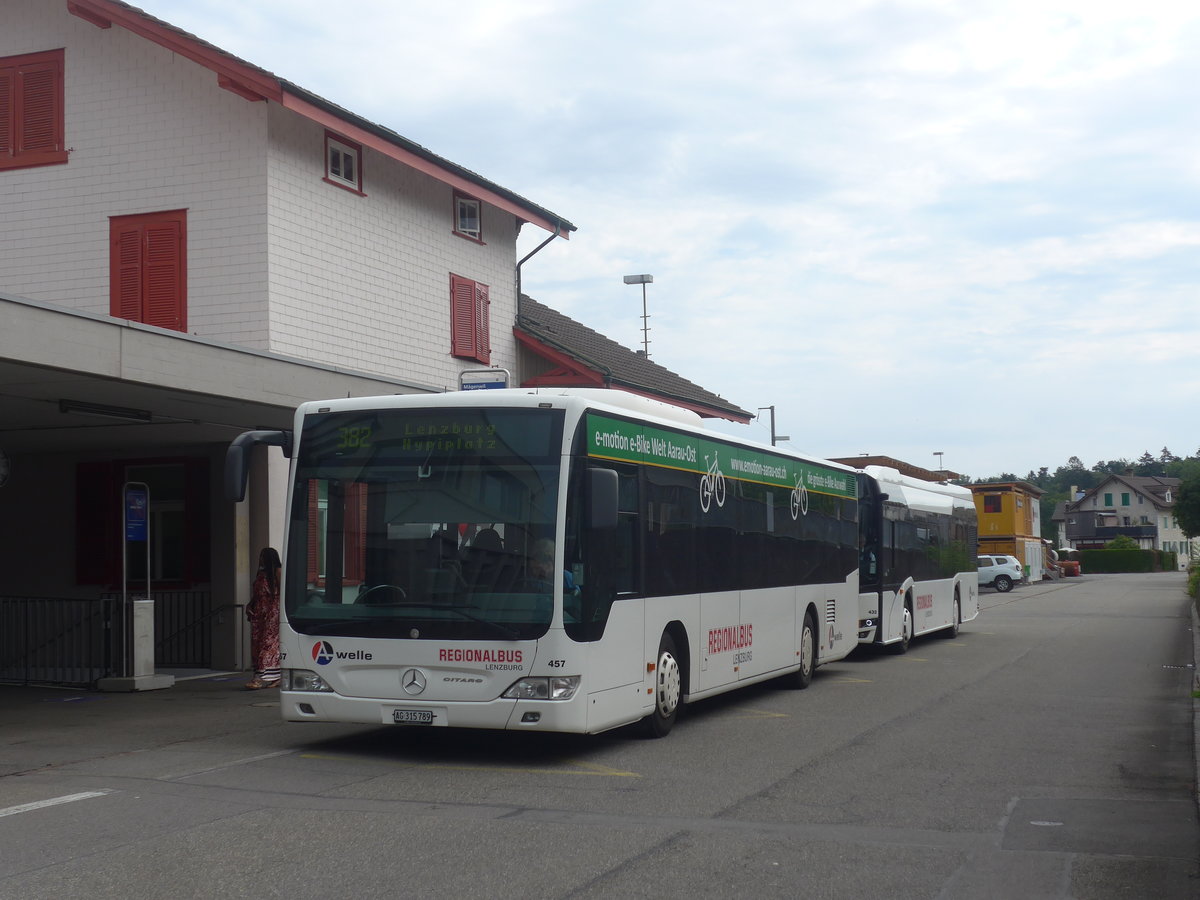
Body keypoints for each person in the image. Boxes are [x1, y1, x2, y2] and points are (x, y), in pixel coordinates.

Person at [245, 547, 281, 690]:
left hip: (272, 612)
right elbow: (257, 594)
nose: (260, 559)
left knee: (268, 644)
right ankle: (276, 676)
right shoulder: (261, 574)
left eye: (262, 556)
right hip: (259, 612)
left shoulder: (277, 571)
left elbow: (282, 592)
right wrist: (250, 605)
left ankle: (258, 678)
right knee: (258, 644)